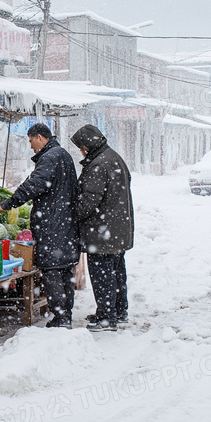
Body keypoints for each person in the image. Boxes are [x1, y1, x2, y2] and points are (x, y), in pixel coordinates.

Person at [0, 123, 80, 329]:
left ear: (40, 138)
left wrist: (7, 204)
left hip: (52, 224)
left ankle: (60, 317)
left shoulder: (50, 157)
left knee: (52, 270)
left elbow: (34, 184)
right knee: (65, 270)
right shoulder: (62, 155)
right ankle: (65, 314)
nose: (31, 145)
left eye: (31, 140)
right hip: (65, 222)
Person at [70, 124, 134, 332]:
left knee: (102, 274)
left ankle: (106, 317)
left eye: (81, 147)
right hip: (118, 227)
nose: (81, 151)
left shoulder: (98, 164)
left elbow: (89, 200)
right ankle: (119, 310)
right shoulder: (113, 157)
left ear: (88, 145)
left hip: (103, 231)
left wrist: (73, 215)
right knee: (116, 272)